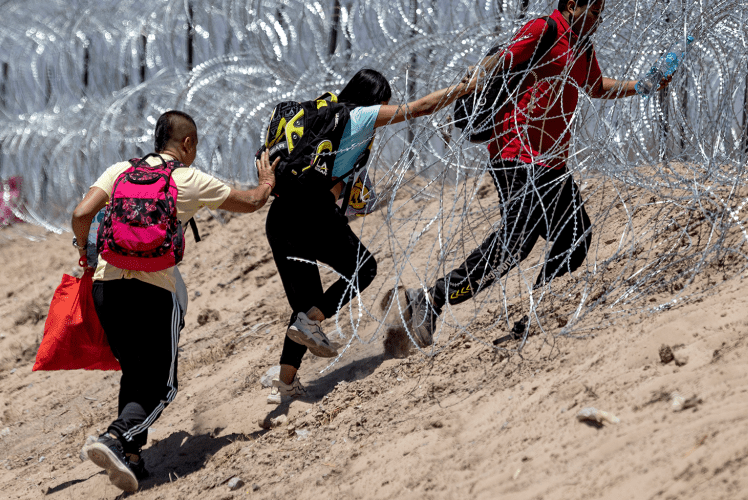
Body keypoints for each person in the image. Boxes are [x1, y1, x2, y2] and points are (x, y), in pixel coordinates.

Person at [403, 0, 665, 347]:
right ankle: (432, 299)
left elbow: (596, 87)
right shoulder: (545, 29)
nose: (597, 21)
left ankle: (538, 312)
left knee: (575, 236)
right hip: (517, 154)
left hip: (551, 162)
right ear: (571, 6)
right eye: (593, 13)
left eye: (601, 16)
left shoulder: (582, 47)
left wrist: (643, 85)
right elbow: (503, 59)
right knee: (517, 240)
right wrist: (474, 79)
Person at [70, 110, 277, 492]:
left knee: (134, 372)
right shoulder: (188, 179)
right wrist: (265, 182)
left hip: (107, 287)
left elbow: (82, 213)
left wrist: (86, 252)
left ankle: (130, 456)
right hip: (155, 290)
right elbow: (250, 202)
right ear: (187, 144)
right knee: (163, 386)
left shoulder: (119, 172)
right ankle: (114, 437)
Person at [266, 68, 476, 404]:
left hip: (279, 218)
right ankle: (312, 322)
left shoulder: (321, 117)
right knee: (364, 269)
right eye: (384, 105)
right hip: (311, 212)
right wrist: (465, 88)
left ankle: (285, 385)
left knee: (307, 307)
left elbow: (336, 188)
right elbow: (419, 108)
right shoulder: (360, 115)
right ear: (376, 100)